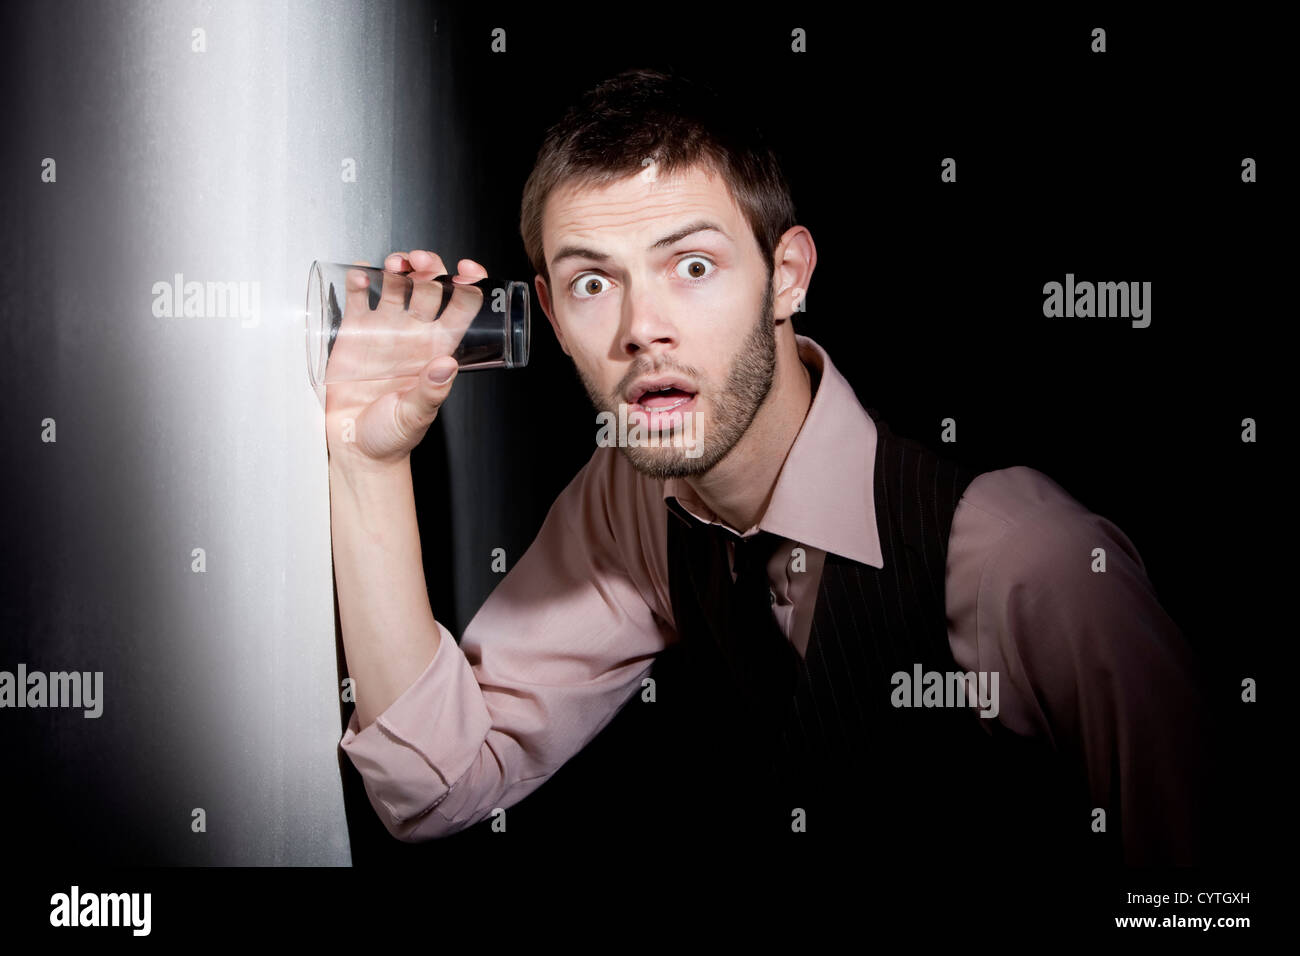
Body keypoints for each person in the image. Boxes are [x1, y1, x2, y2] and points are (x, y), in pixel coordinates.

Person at [326, 68, 1222, 864]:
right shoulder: (635, 500)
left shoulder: (1028, 561)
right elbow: (440, 785)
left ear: (787, 276)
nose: (642, 327)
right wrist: (369, 462)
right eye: (593, 283)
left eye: (694, 265)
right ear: (556, 324)